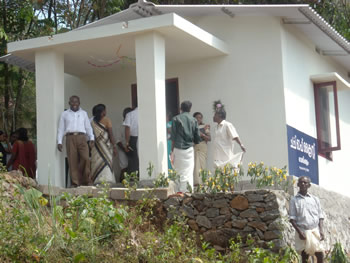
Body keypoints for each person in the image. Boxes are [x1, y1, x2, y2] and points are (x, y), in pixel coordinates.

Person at [57, 95, 94, 187]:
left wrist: (92, 138)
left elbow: (88, 127)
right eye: (72, 102)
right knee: (72, 160)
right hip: (70, 138)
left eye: (76, 102)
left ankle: (86, 180)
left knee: (85, 158)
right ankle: (75, 182)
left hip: (82, 137)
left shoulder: (84, 113)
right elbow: (61, 129)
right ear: (69, 103)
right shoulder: (64, 114)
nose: (74, 104)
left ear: (79, 103)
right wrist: (59, 141)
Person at [289, 176, 325, 263]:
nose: (303, 184)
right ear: (298, 184)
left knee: (319, 254)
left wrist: (321, 230)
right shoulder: (294, 200)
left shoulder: (315, 199)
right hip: (302, 231)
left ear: (309, 185)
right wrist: (300, 232)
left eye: (305, 182)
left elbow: (320, 216)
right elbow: (292, 219)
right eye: (301, 182)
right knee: (305, 255)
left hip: (314, 231)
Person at [171, 101, 201, 193]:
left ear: (181, 108)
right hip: (189, 149)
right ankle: (187, 191)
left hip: (178, 148)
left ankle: (178, 191)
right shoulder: (194, 120)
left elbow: (173, 136)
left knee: (178, 170)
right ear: (190, 109)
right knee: (188, 171)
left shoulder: (175, 119)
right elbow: (197, 138)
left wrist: (172, 150)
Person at [212, 101, 246, 168]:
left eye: (215, 115)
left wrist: (241, 145)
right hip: (218, 156)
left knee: (227, 171)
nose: (213, 117)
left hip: (226, 155)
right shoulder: (216, 127)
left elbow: (235, 136)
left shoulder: (227, 125)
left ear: (220, 116)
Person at [90, 104, 117, 185]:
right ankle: (107, 180)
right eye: (105, 110)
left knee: (96, 161)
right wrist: (114, 146)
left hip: (96, 146)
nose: (106, 111)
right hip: (106, 146)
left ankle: (97, 179)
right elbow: (111, 134)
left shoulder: (92, 121)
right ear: (102, 112)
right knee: (107, 162)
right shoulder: (107, 120)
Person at [193, 112, 211, 186]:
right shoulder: (192, 127)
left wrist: (202, 134)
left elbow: (209, 138)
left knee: (202, 165)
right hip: (195, 147)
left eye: (200, 118)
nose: (198, 119)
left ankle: (203, 183)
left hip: (202, 147)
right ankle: (196, 183)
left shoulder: (204, 126)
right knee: (195, 166)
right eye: (196, 117)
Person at [117, 107, 133, 182]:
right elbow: (118, 141)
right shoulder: (121, 127)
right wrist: (124, 149)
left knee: (132, 168)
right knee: (124, 168)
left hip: (132, 149)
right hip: (122, 150)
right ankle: (120, 184)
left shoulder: (132, 125)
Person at [123, 107, 139, 175]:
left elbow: (127, 129)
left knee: (133, 159)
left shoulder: (130, 114)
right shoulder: (147, 113)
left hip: (133, 139)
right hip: (145, 138)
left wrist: (127, 142)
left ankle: (134, 177)